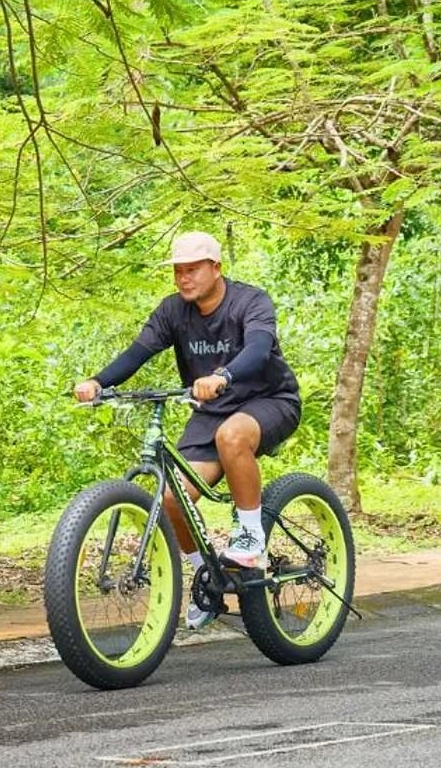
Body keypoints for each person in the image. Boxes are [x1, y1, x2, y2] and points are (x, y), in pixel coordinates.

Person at [74, 231, 302, 629]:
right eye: (178, 271)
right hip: (212, 410)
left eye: (193, 269)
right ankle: (206, 577)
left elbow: (258, 349)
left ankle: (249, 537)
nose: (184, 279)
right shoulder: (172, 311)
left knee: (232, 436)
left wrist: (224, 375)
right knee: (171, 498)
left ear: (216, 268)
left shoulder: (250, 301)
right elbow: (139, 351)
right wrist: (98, 382)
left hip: (269, 400)